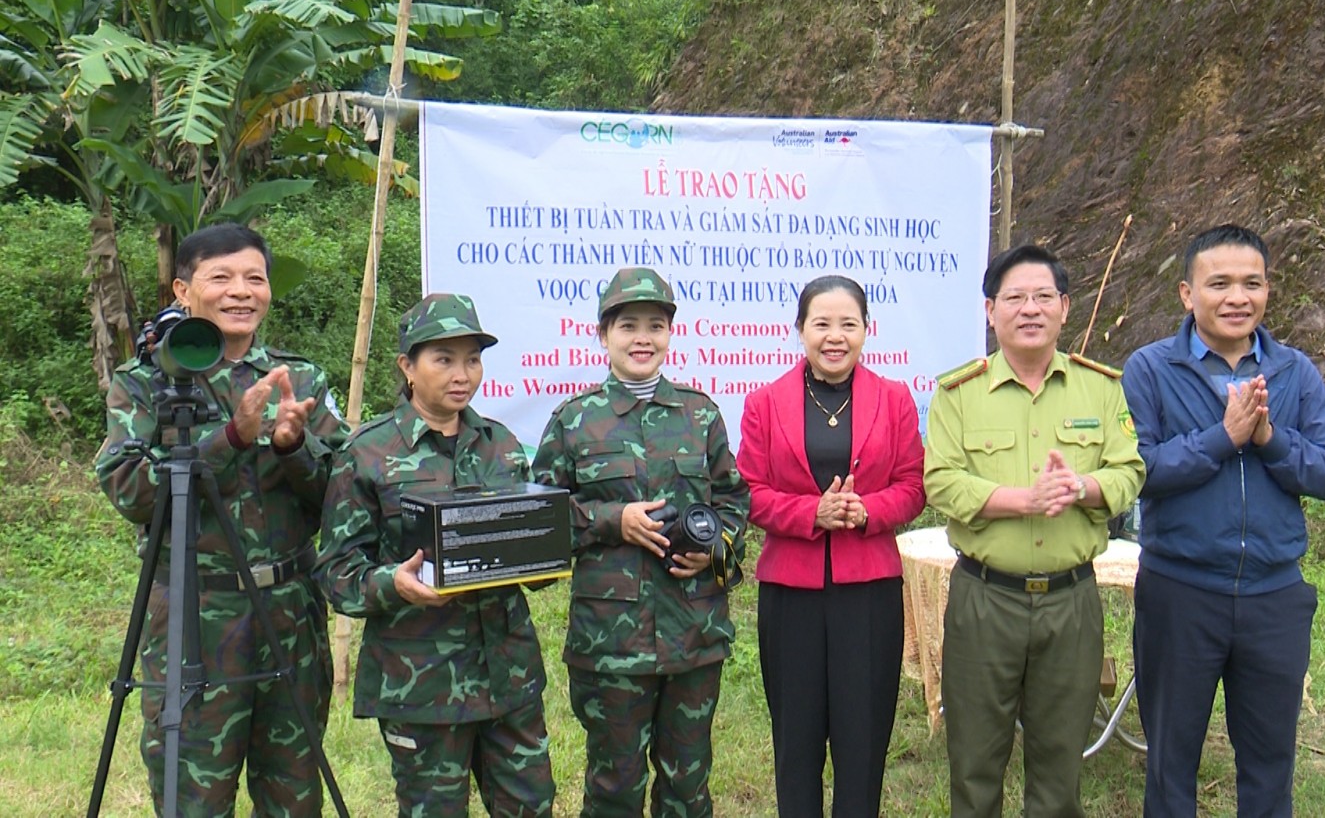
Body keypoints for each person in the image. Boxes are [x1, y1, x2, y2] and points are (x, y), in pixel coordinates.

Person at [96, 222, 349, 815]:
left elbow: (342, 495)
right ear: (184, 291)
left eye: (254, 278)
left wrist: (293, 447)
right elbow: (130, 489)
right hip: (195, 618)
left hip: (291, 612)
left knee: (294, 792)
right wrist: (230, 436)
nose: (242, 291)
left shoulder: (301, 378)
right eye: (222, 278)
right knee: (193, 795)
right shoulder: (147, 382)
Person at [1120, 224, 1325, 817]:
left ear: (1268, 291)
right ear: (1186, 293)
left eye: (1251, 284)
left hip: (1274, 597)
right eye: (1218, 283)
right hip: (1180, 592)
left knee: (1270, 766)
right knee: (1171, 765)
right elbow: (1137, 470)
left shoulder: (1294, 372)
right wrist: (1222, 438)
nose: (1236, 298)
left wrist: (1270, 439)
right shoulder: (1150, 369)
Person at [924, 244, 1146, 817]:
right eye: (1015, 298)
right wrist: (1021, 501)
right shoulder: (958, 394)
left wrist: (1083, 488)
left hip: (1071, 602)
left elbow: (1129, 470)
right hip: (984, 599)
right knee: (974, 766)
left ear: (1065, 308)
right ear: (990, 310)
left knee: (1059, 770)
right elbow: (941, 482)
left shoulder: (1100, 388)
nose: (1030, 309)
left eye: (1043, 296)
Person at [316, 293, 556, 816]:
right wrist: (392, 583)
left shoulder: (502, 445)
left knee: (532, 807)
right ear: (407, 366)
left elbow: (529, 546)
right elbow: (335, 573)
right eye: (443, 359)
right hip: (420, 684)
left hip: (508, 677)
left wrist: (542, 558)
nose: (461, 373)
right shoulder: (367, 453)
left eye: (472, 358)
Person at [531, 267, 750, 818]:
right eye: (628, 325)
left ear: (671, 334)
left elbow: (733, 502)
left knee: (688, 789)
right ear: (603, 335)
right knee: (614, 790)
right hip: (611, 644)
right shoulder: (574, 422)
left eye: (656, 325)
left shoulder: (700, 415)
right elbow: (540, 523)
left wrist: (715, 548)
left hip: (693, 636)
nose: (642, 338)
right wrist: (612, 520)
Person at [736, 275, 926, 817]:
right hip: (790, 594)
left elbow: (913, 487)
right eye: (822, 324)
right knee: (795, 744)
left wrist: (868, 510)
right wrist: (810, 512)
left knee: (862, 744)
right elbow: (748, 492)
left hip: (868, 593)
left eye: (849, 323)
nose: (835, 336)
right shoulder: (765, 403)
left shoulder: (894, 400)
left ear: (868, 330)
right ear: (800, 330)